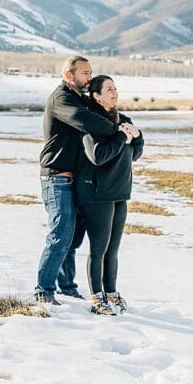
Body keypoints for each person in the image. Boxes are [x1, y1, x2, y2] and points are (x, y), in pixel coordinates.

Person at [34, 56, 131, 305]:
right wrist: (120, 132)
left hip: (75, 180)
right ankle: (43, 291)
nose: (90, 77)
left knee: (72, 239)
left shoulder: (81, 99)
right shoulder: (62, 99)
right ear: (69, 75)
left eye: (90, 72)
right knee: (61, 235)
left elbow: (105, 110)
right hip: (57, 177)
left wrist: (128, 126)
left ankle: (67, 287)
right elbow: (88, 121)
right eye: (85, 73)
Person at [75, 75, 143, 316]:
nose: (115, 93)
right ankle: (97, 298)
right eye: (109, 89)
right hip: (96, 193)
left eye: (115, 88)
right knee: (99, 249)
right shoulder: (90, 122)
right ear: (96, 96)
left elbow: (134, 155)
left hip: (120, 192)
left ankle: (112, 293)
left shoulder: (124, 120)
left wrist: (138, 136)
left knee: (113, 249)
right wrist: (122, 137)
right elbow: (98, 156)